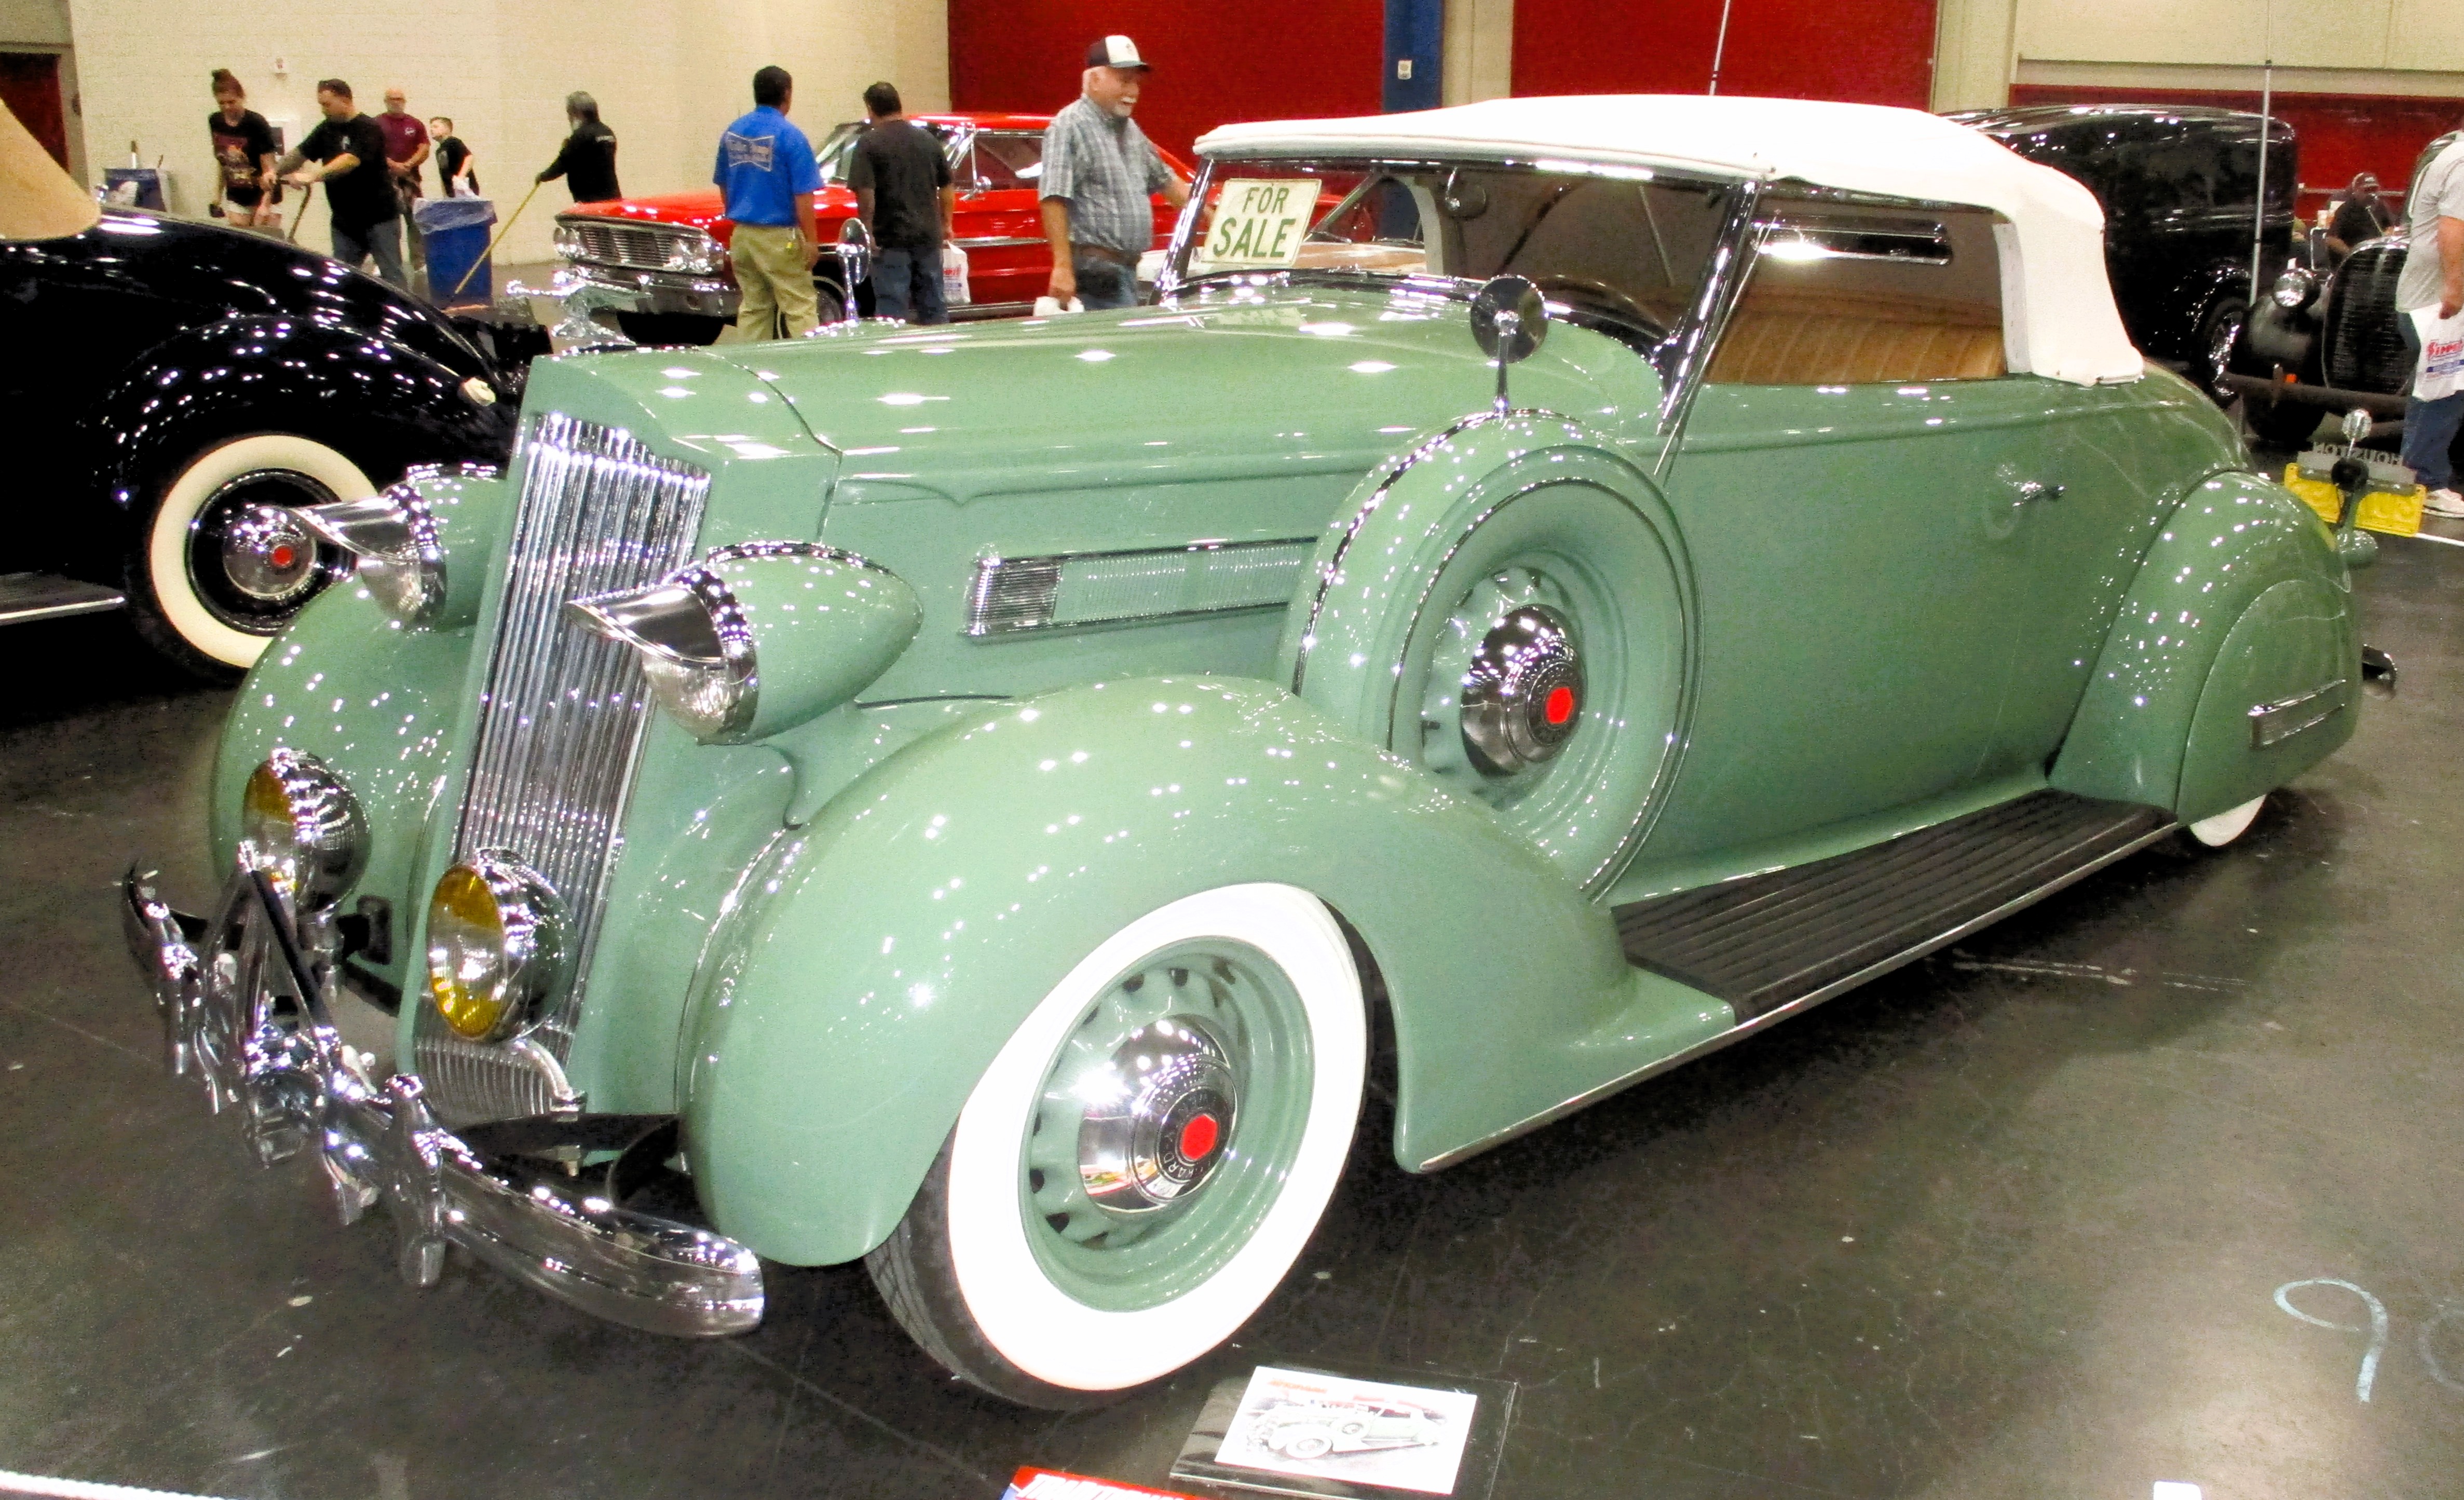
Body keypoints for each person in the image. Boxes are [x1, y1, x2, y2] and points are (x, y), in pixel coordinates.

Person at [1039, 35, 1187, 312]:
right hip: (1096, 275)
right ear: (1095, 80)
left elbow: (1168, 181)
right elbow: (1054, 198)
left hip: (1126, 271)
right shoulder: (1069, 125)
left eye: (1136, 82)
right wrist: (1062, 267)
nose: (1133, 91)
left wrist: (1215, 217)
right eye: (1124, 81)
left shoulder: (1131, 131)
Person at [712, 66, 823, 340]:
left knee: (754, 306)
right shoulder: (790, 136)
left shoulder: (733, 132)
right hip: (779, 237)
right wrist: (811, 241)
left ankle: (753, 360)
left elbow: (723, 183)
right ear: (787, 93)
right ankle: (809, 361)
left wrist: (737, 215)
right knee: (799, 306)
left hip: (743, 235)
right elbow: (803, 195)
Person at [278, 79, 404, 288]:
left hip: (379, 218)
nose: (323, 110)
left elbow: (350, 160)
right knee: (340, 280)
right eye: (321, 105)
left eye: (327, 104)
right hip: (345, 222)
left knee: (392, 278)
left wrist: (314, 175)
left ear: (345, 100)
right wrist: (274, 172)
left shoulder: (369, 128)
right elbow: (300, 153)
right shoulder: (326, 129)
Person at [2397, 125, 2464, 517]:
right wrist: (2454, 289)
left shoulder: (2449, 156)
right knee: (2442, 391)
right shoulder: (2463, 162)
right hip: (2436, 304)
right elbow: (2453, 229)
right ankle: (2425, 481)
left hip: (2430, 299)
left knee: (2439, 389)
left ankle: (2418, 475)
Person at [849, 80, 954, 324]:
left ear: (871, 107)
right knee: (934, 305)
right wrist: (947, 224)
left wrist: (868, 232)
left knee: (892, 310)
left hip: (890, 239)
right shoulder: (928, 140)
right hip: (928, 237)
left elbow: (866, 193)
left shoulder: (869, 143)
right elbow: (947, 186)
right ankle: (940, 344)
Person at [206, 69, 278, 230]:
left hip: (262, 191)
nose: (227, 107)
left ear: (242, 97)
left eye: (232, 102)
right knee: (240, 239)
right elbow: (222, 160)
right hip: (237, 193)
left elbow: (269, 168)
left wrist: (265, 204)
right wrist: (217, 196)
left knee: (263, 237)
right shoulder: (215, 121)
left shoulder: (256, 123)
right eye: (222, 103)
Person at [377, 87, 430, 276]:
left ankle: (419, 262)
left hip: (410, 179)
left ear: (404, 101)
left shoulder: (415, 124)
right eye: (392, 99)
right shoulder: (376, 124)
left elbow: (424, 148)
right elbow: (372, 149)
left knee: (415, 221)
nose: (396, 102)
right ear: (386, 101)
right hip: (386, 180)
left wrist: (408, 164)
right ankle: (386, 263)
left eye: (399, 99)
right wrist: (393, 165)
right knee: (388, 223)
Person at [538, 91, 620, 202]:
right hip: (612, 196)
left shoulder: (581, 135)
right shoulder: (607, 132)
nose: (569, 118)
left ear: (577, 113)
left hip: (590, 199)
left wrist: (543, 176)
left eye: (569, 114)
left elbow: (563, 163)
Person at [2325, 172, 2393, 264]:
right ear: (2356, 190)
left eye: (2374, 190)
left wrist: (2388, 236)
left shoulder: (2381, 206)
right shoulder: (2346, 209)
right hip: (2355, 260)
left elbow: (2390, 228)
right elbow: (2331, 239)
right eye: (2367, 190)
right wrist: (2352, 254)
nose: (2371, 194)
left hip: (2376, 256)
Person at [430, 116, 478, 196]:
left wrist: (461, 178)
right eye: (431, 127)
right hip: (452, 193)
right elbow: (444, 173)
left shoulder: (453, 142)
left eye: (436, 127)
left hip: (464, 189)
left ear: (447, 129)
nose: (431, 130)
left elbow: (469, 158)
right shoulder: (439, 150)